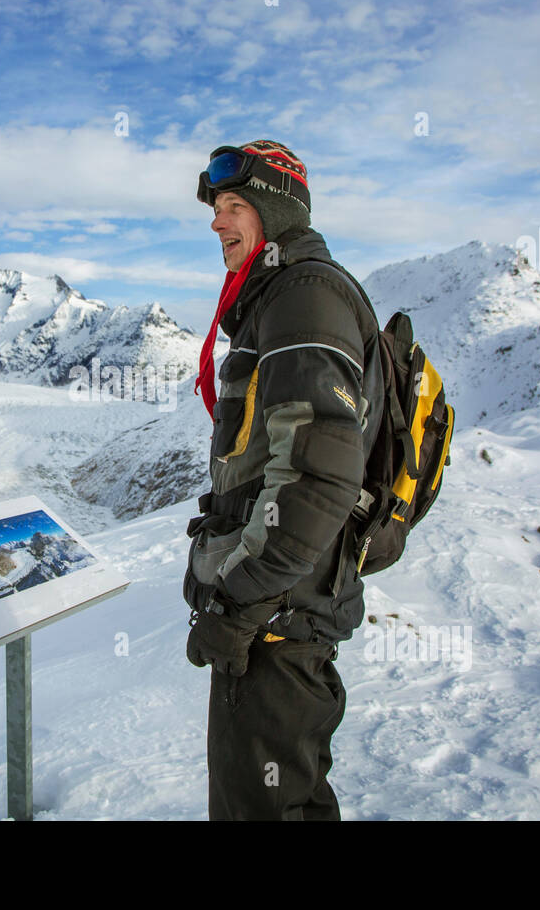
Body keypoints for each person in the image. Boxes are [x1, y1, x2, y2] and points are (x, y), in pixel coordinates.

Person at [183, 139, 384, 820]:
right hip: (275, 614)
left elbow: (315, 478)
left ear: (274, 211)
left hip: (276, 621)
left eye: (234, 206)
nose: (217, 222)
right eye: (217, 207)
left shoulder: (304, 296)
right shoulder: (281, 296)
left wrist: (237, 604)